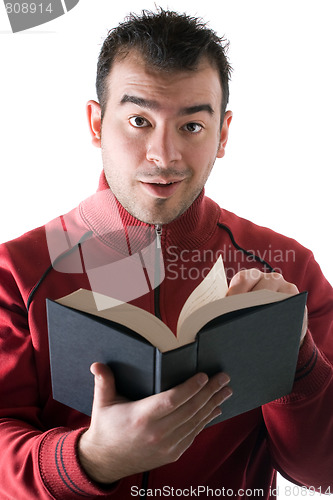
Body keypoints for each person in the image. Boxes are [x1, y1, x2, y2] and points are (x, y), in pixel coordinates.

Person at [0, 8, 332, 500]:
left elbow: (320, 472)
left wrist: (297, 361)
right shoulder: (16, 272)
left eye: (192, 126)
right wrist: (92, 458)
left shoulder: (289, 269)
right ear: (96, 123)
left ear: (222, 134)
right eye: (139, 120)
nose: (164, 154)